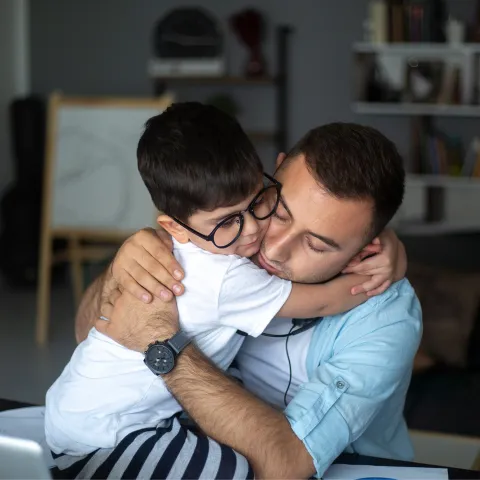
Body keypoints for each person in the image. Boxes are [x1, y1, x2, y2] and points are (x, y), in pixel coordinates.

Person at [65, 123, 421, 479]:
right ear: (268, 176)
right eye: (279, 212)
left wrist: (163, 348)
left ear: (368, 246)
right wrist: (121, 269)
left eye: (316, 245)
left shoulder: (385, 317)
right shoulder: (230, 236)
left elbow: (287, 466)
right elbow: (86, 332)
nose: (274, 249)